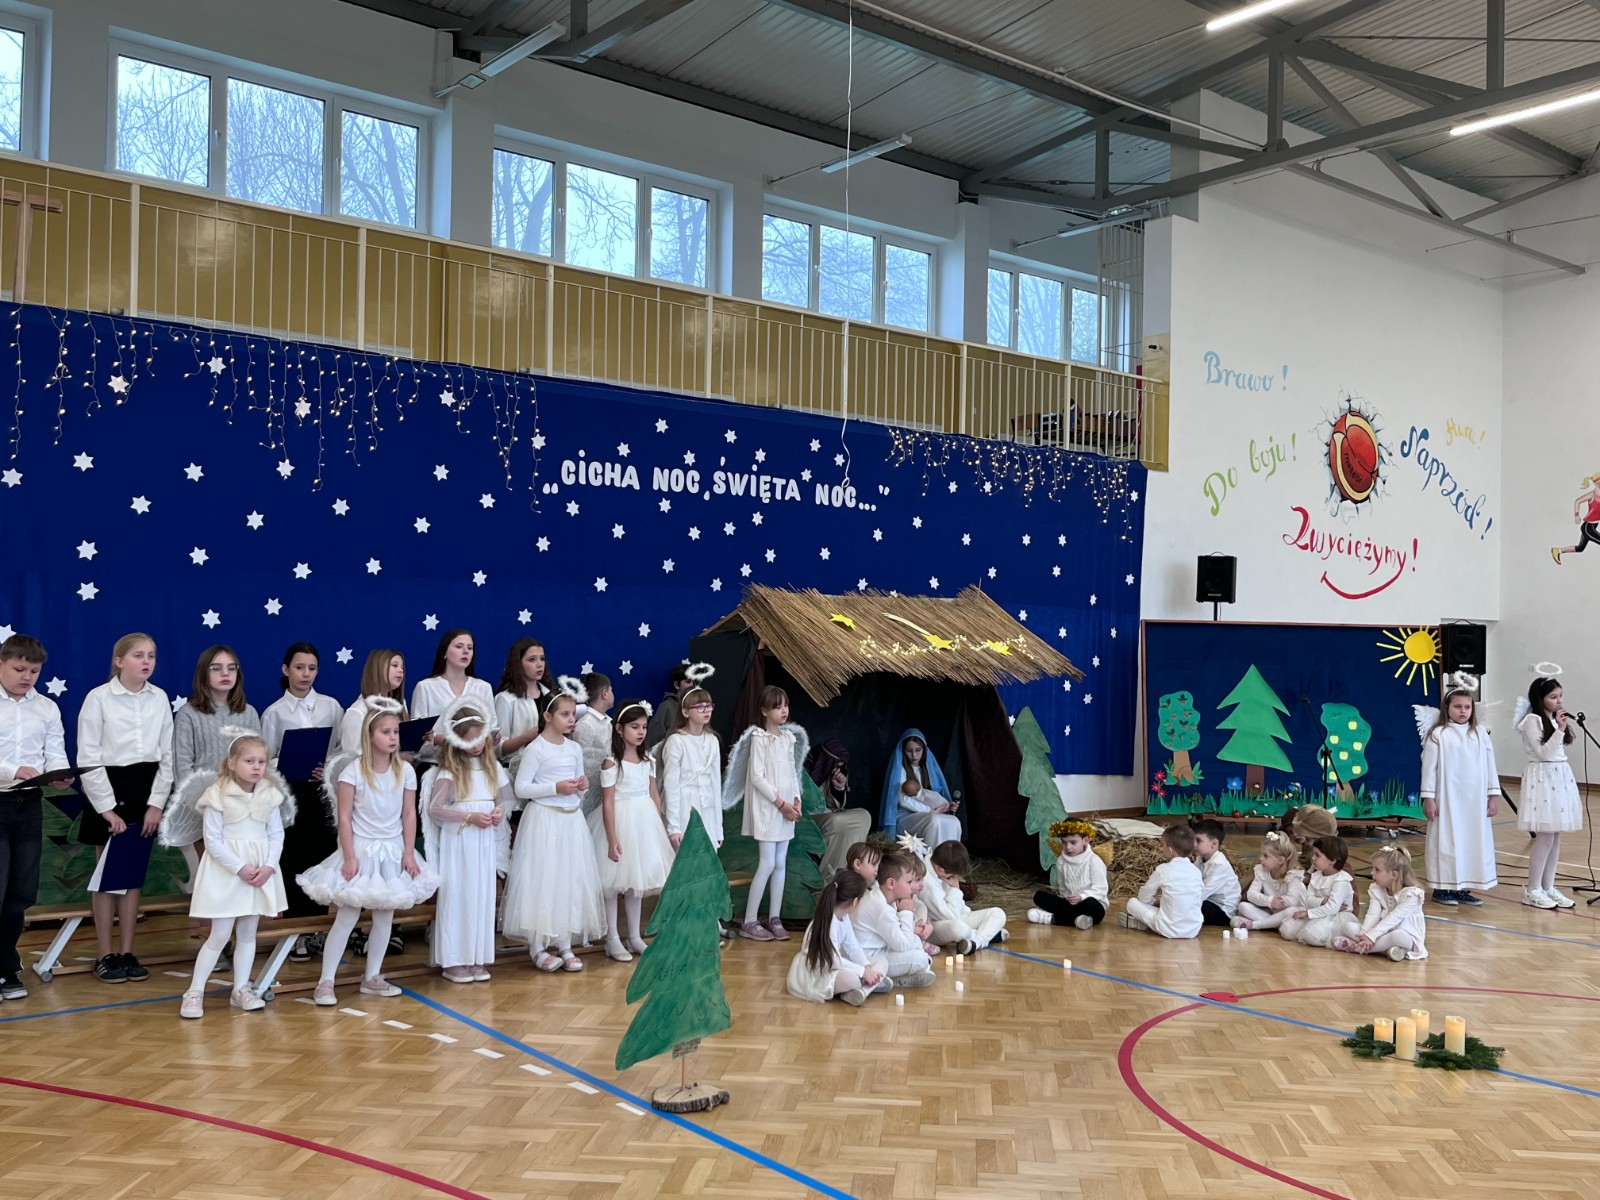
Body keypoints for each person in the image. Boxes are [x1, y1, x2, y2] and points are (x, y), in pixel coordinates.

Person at [297, 700, 437, 1006]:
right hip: (360, 849)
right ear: (370, 736)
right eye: (385, 732)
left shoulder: (405, 771)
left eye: (395, 731)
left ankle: (372, 976)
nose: (393, 737)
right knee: (347, 916)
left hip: (393, 850)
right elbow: (344, 817)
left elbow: (408, 815)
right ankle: (325, 981)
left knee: (385, 916)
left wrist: (409, 852)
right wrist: (349, 856)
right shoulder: (353, 772)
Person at [76, 632, 174, 983]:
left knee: (132, 877)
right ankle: (105, 955)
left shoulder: (159, 698)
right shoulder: (98, 698)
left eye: (151, 656)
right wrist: (106, 809)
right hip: (109, 788)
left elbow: (168, 757)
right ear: (119, 661)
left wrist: (156, 804)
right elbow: (89, 757)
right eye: (138, 655)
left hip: (145, 790)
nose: (146, 662)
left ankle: (128, 951)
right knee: (107, 877)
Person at [175, 732, 288, 1018]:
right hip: (227, 873)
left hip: (260, 871)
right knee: (220, 934)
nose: (256, 767)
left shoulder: (269, 794)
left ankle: (241, 989)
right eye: (249, 761)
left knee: (248, 934)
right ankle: (194, 992)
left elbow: (276, 834)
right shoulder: (217, 794)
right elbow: (212, 841)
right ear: (232, 763)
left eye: (261, 761)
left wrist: (269, 866)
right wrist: (240, 868)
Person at [504, 682, 606, 972]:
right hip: (544, 820)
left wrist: (581, 786)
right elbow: (522, 788)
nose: (571, 719)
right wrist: (555, 787)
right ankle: (537, 946)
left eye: (573, 714)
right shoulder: (536, 749)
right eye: (565, 714)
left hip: (570, 821)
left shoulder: (574, 748)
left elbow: (578, 787)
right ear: (548, 716)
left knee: (567, 879)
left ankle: (564, 943)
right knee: (543, 879)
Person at [260, 642, 342, 959]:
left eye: (311, 668)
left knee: (321, 856)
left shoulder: (331, 707)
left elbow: (341, 750)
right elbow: (265, 758)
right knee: (294, 858)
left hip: (321, 793)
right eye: (299, 667)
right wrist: (286, 763)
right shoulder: (274, 712)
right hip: (290, 795)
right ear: (286, 670)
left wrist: (328, 766)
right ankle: (295, 933)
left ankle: (318, 929)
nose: (305, 674)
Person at [420, 698, 511, 984]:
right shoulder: (450, 771)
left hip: (483, 841)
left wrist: (498, 812)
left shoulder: (492, 767)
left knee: (481, 895)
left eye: (480, 739)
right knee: (459, 895)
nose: (476, 745)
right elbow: (435, 808)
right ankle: (454, 959)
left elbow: (503, 800)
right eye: (470, 740)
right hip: (459, 840)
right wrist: (469, 816)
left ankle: (475, 957)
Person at [0, 633, 69, 1001]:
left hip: (29, 804)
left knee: (21, 891)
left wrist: (59, 773)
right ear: (1, 664)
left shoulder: (46, 708)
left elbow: (54, 752)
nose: (26, 677)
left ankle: (6, 965)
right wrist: (14, 770)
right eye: (19, 669)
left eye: (34, 671)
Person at [590, 698, 675, 962]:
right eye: (634, 727)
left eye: (644, 727)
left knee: (636, 883)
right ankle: (612, 937)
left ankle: (635, 936)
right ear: (619, 729)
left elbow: (653, 793)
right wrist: (612, 838)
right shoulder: (611, 763)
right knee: (612, 883)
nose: (640, 732)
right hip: (619, 822)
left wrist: (657, 825)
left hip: (643, 823)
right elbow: (608, 801)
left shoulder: (647, 760)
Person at [172, 646, 261, 893]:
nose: (225, 673)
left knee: (242, 881)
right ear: (204, 673)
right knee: (211, 882)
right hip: (205, 811)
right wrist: (204, 806)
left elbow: (258, 763)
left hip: (242, 812)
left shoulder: (248, 713)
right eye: (217, 668)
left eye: (231, 668)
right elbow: (183, 767)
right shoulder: (188, 714)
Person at [724, 685, 803, 941]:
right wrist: (780, 803)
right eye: (777, 707)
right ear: (764, 711)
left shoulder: (788, 738)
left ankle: (774, 918)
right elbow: (757, 777)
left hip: (786, 809)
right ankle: (749, 920)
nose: (784, 711)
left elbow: (792, 771)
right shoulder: (759, 738)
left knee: (780, 864)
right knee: (767, 863)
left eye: (785, 705)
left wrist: (796, 799)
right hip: (769, 809)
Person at [1420, 681, 1499, 906]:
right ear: (1447, 709)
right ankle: (1443, 887)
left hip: (1474, 800)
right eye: (1458, 706)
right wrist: (1429, 798)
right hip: (1447, 798)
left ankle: (1463, 886)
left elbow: (1490, 765)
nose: (1463, 711)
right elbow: (1429, 768)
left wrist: (1493, 796)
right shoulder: (1439, 734)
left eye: (1467, 707)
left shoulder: (1480, 733)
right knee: (1447, 840)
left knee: (1471, 841)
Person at [1516, 676, 1581, 909]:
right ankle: (1532, 889)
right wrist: (1560, 729)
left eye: (1560, 696)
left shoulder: (1553, 720)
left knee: (1555, 837)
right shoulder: (1532, 720)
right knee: (1545, 837)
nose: (1559, 701)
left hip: (1559, 776)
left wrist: (1560, 726)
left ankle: (1548, 886)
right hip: (1542, 778)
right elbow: (1544, 753)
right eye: (1553, 697)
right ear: (1540, 698)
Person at [785, 870, 888, 1006]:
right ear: (855, 902)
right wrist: (863, 972)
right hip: (817, 973)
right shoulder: (828, 922)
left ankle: (861, 990)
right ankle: (867, 986)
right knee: (852, 980)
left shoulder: (844, 917)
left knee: (882, 961)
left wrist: (866, 967)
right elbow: (832, 960)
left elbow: (853, 947)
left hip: (834, 966)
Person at [849, 848, 935, 987]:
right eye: (909, 882)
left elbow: (898, 934)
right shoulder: (882, 908)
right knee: (920, 959)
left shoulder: (883, 897)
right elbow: (903, 946)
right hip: (869, 960)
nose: (912, 887)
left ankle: (900, 975)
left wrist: (911, 927)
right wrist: (906, 912)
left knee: (915, 941)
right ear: (891, 883)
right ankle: (893, 979)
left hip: (881, 949)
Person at [660, 671, 722, 851]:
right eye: (700, 707)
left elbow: (715, 784)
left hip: (707, 807)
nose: (706, 710)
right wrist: (673, 827)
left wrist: (718, 829)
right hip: (684, 806)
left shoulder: (712, 740)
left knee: (707, 858)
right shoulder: (676, 741)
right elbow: (671, 785)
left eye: (709, 706)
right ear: (685, 712)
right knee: (686, 857)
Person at [412, 629, 494, 764]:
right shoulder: (425, 687)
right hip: (437, 763)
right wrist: (440, 740)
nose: (466, 651)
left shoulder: (483, 687)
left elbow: (491, 728)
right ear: (444, 652)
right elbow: (418, 736)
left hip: (474, 764)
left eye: (470, 648)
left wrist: (491, 738)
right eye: (459, 646)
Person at [1334, 845, 1426, 961]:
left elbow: (1393, 918)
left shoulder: (1412, 894)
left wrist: (1371, 936)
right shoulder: (1376, 889)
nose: (1372, 873)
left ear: (1394, 875)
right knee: (1347, 926)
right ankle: (1386, 949)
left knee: (1398, 936)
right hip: (1380, 934)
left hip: (1405, 937)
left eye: (1377, 870)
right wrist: (1364, 934)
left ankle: (1356, 948)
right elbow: (1373, 914)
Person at [1119, 825, 1202, 939]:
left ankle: (1146, 924)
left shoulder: (1163, 869)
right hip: (1193, 930)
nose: (1162, 848)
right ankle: (1147, 923)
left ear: (1170, 850)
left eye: (1163, 845)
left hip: (1168, 928)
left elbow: (1144, 896)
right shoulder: (1196, 871)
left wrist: (1152, 902)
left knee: (1132, 903)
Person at [804, 739, 872, 875]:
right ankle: (830, 876)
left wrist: (838, 788)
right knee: (835, 822)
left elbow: (837, 806)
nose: (837, 769)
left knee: (864, 816)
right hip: (806, 819)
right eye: (835, 764)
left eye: (841, 765)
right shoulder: (801, 771)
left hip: (830, 815)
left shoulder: (831, 774)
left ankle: (854, 872)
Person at [925, 840, 1008, 950]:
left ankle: (976, 942)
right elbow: (950, 916)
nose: (955, 879)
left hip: (953, 915)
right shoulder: (927, 883)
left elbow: (961, 911)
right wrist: (955, 889)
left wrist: (974, 917)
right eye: (953, 876)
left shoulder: (941, 868)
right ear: (940, 870)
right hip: (932, 927)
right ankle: (984, 935)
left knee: (998, 913)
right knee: (958, 928)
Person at [881, 730, 960, 845]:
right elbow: (904, 800)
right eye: (909, 751)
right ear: (903, 750)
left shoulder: (928, 769)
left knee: (954, 821)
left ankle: (949, 855)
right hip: (905, 816)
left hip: (930, 812)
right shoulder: (900, 770)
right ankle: (932, 855)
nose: (914, 755)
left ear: (924, 750)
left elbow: (935, 796)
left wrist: (948, 805)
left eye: (918, 750)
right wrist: (930, 811)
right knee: (933, 820)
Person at [1027, 820, 1108, 929]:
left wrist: (1081, 897)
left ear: (1086, 840)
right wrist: (1067, 898)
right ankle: (1079, 920)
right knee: (1039, 896)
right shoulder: (1061, 860)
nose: (1068, 847)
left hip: (1091, 903)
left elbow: (1101, 890)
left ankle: (1052, 919)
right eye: (1064, 842)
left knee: (1091, 904)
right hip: (1070, 903)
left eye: (1073, 842)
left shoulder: (1094, 861)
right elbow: (1063, 888)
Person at [1278, 836, 1354, 948]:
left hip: (1336, 917)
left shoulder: (1341, 880)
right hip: (1317, 911)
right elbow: (1308, 900)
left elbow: (1332, 908)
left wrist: (1308, 913)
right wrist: (1322, 901)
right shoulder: (1316, 875)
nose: (1313, 858)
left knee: (1311, 935)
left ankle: (1339, 940)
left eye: (1317, 855)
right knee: (1287, 930)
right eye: (1313, 854)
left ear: (1333, 860)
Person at [494, 638, 552, 778]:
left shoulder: (549, 695)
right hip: (517, 771)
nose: (539, 664)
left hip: (548, 768)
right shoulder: (506, 699)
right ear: (518, 664)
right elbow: (497, 749)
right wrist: (525, 738)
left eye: (542, 659)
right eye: (532, 660)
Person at [338, 649, 407, 755]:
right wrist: (396, 758)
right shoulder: (358, 711)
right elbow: (352, 756)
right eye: (394, 665)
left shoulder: (399, 706)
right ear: (377, 669)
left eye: (402, 667)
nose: (401, 670)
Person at [1232, 831, 1296, 931]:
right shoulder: (1261, 871)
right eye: (1261, 854)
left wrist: (1281, 901)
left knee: (1291, 911)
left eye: (1266, 856)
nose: (1260, 858)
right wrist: (1269, 901)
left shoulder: (1293, 875)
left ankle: (1255, 925)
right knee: (1242, 906)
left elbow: (1293, 901)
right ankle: (1272, 924)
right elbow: (1251, 894)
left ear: (1280, 860)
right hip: (1271, 914)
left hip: (1289, 916)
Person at [573, 671, 614, 817]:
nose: (612, 694)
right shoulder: (586, 724)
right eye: (611, 690)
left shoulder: (606, 722)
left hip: (604, 784)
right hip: (588, 789)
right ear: (604, 693)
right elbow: (580, 761)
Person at [1192, 819, 1240, 927]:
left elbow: (1203, 892)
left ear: (1213, 844)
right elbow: (1191, 879)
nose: (1194, 844)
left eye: (1198, 841)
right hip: (1209, 901)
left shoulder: (1219, 865)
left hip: (1223, 910)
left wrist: (1179, 899)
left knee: (1187, 907)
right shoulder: (1200, 858)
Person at [1551, 473, 1600, 563]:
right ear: (1597, 483)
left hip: (1592, 526)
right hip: (1588, 528)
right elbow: (1577, 501)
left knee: (1580, 548)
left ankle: (1557, 551)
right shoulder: (1592, 495)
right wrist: (1577, 515)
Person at [645, 663, 692, 750]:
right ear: (677, 685)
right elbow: (652, 740)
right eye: (688, 681)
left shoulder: (701, 707)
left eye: (695, 682)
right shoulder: (667, 707)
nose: (692, 685)